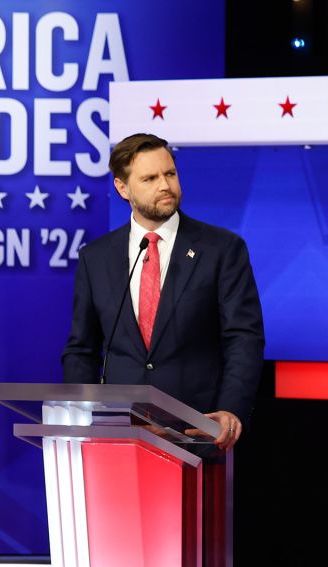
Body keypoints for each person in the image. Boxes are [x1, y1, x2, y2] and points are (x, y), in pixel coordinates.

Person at [62, 133, 264, 450]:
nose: (165, 186)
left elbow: (243, 338)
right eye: (150, 178)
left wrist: (231, 409)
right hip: (117, 436)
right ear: (122, 188)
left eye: (170, 174)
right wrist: (78, 414)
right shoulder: (96, 258)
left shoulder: (222, 250)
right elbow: (81, 349)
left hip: (200, 433)